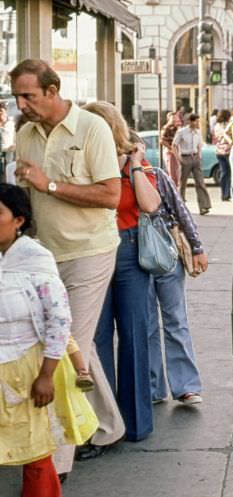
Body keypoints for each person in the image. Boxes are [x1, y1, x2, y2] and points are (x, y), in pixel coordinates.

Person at [12, 59, 126, 467]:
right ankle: (109, 426)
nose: (21, 104)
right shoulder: (24, 135)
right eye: (17, 96)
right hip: (43, 254)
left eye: (28, 95)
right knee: (77, 342)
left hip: (89, 251)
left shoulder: (91, 128)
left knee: (61, 344)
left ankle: (55, 461)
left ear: (52, 89)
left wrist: (51, 184)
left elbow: (111, 195)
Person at [0, 183, 99, 497]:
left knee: (36, 456)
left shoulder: (35, 259)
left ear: (19, 220)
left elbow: (59, 319)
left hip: (27, 374)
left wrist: (46, 375)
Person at [83, 102, 161, 445]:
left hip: (129, 248)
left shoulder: (133, 159)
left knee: (133, 335)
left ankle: (136, 423)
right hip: (91, 247)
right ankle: (103, 423)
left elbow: (150, 205)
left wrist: (134, 166)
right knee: (95, 339)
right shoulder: (84, 159)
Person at [130, 131, 209, 406]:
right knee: (150, 322)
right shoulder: (116, 179)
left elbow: (180, 210)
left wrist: (197, 247)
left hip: (165, 253)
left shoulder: (156, 176)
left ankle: (182, 386)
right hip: (137, 258)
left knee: (173, 320)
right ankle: (157, 387)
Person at [173, 113, 211, 215]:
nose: (198, 123)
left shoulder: (198, 132)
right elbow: (174, 145)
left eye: (198, 121)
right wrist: (179, 158)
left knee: (200, 182)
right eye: (196, 121)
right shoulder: (182, 132)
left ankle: (204, 206)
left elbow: (199, 145)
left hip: (195, 158)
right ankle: (180, 207)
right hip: (185, 158)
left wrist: (199, 155)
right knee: (183, 183)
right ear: (190, 121)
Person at [213, 109, 233, 202]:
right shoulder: (227, 125)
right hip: (227, 150)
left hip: (219, 150)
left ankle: (224, 193)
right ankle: (226, 193)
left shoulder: (216, 126)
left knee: (224, 172)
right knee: (228, 172)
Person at [160, 111, 181, 187]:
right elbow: (162, 140)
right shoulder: (166, 127)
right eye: (174, 119)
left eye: (177, 119)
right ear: (169, 118)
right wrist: (171, 148)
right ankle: (173, 194)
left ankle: (175, 193)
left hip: (175, 152)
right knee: (172, 175)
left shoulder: (175, 127)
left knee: (176, 175)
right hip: (170, 153)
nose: (176, 120)